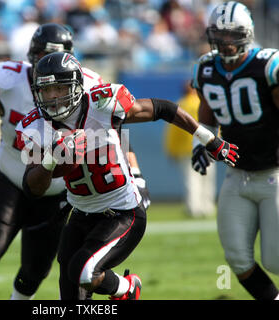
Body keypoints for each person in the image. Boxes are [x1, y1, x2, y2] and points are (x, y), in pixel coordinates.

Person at [16, 51, 239, 300]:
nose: (53, 97)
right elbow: (31, 187)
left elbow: (165, 109)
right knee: (70, 296)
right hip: (80, 215)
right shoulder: (34, 126)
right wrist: (51, 160)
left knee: (84, 271)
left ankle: (127, 288)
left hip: (122, 212)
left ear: (76, 85)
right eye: (46, 91)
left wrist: (209, 140)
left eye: (59, 88)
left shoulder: (103, 104)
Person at [0, 22, 151, 300]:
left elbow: (114, 131)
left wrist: (135, 173)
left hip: (59, 188)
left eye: (55, 56)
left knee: (37, 268)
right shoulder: (10, 80)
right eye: (40, 56)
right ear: (30, 55)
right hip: (13, 177)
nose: (46, 64)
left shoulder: (86, 84)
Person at [191, 1, 279, 300]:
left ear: (248, 33)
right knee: (238, 259)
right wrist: (200, 142)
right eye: (220, 34)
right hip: (236, 175)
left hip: (274, 173)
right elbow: (206, 112)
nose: (226, 42)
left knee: (275, 260)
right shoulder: (205, 67)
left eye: (234, 34)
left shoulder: (267, 64)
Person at [164, 80, 216, 217]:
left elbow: (173, 132)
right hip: (207, 147)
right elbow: (216, 125)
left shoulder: (180, 105)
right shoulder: (205, 103)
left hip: (187, 150)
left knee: (192, 180)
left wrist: (171, 150)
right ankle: (207, 206)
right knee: (207, 178)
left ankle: (194, 207)